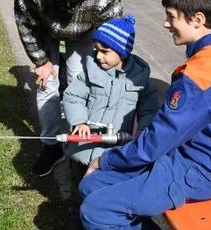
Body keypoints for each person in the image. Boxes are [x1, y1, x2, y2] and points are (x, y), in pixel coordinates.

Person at [78, 0, 211, 230]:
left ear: (197, 19)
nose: (165, 23)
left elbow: (155, 143)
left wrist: (105, 160)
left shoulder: (199, 77)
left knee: (96, 210)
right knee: (91, 187)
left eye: (171, 17)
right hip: (197, 155)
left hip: (200, 169)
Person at [14, 0, 124, 177]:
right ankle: (51, 148)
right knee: (46, 86)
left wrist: (104, 61)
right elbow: (26, 24)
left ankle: (83, 145)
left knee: (81, 80)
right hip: (45, 28)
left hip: (84, 33)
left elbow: (110, 33)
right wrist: (41, 61)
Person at [63, 14, 159, 166]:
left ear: (122, 52)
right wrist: (79, 121)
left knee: (101, 183)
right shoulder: (91, 71)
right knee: (77, 179)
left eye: (105, 51)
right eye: (96, 49)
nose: (99, 56)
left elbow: (149, 109)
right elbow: (73, 97)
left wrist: (143, 128)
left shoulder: (139, 79)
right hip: (83, 147)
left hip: (114, 150)